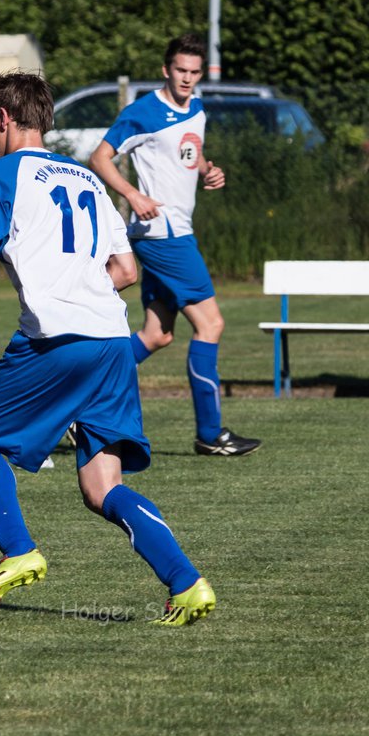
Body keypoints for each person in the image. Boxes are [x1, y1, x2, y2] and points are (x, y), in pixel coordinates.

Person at [0, 69, 215, 625]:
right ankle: (186, 582)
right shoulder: (89, 179)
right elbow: (123, 269)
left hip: (55, 339)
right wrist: (75, 276)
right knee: (101, 485)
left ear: (3, 119)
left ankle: (18, 550)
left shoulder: (0, 176)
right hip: (113, 341)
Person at [89, 33, 260, 457]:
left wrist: (207, 169)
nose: (187, 78)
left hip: (178, 230)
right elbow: (99, 158)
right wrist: (132, 194)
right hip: (164, 235)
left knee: (157, 335)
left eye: (194, 72)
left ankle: (82, 398)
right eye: (180, 70)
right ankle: (211, 433)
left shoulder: (196, 108)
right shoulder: (143, 111)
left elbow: (188, 151)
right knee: (211, 324)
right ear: (167, 69)